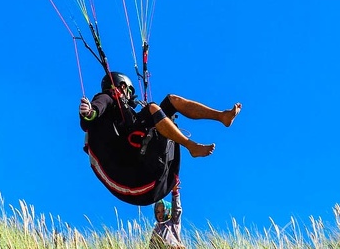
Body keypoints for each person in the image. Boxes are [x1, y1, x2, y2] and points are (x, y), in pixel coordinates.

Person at [79, 71, 241, 206]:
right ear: (122, 86)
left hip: (150, 177)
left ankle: (222, 116)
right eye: (129, 91)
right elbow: (96, 109)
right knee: (153, 108)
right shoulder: (107, 97)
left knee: (171, 101)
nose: (130, 96)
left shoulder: (125, 115)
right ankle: (191, 146)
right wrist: (89, 112)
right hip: (130, 180)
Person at [149, 184, 185, 249]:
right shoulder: (156, 229)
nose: (160, 214)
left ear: (168, 211)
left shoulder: (173, 222)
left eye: (163, 210)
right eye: (158, 212)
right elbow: (152, 244)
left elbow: (177, 209)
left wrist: (175, 193)